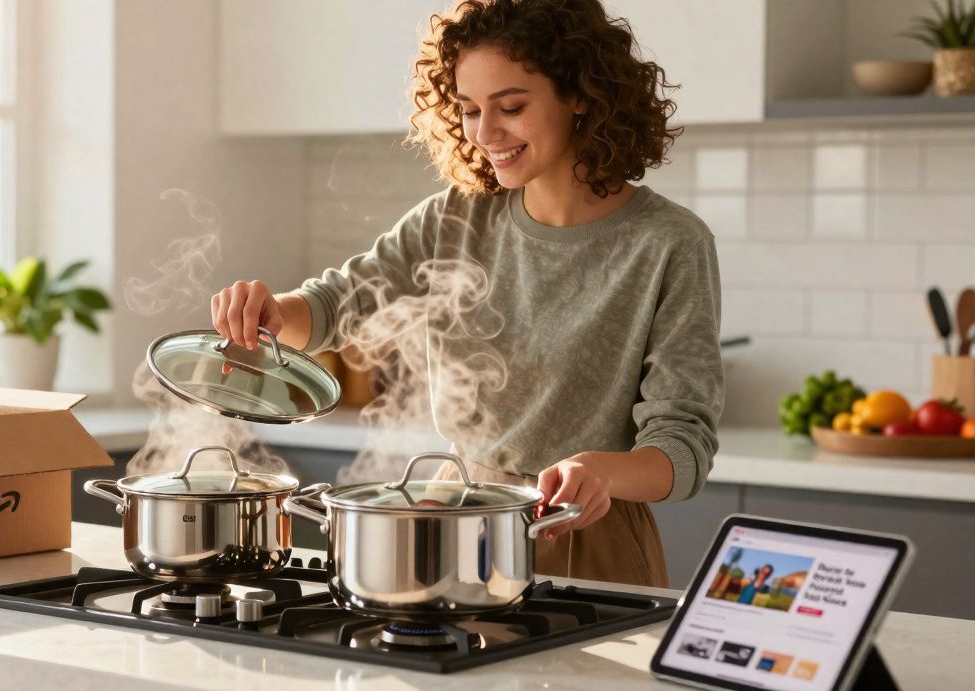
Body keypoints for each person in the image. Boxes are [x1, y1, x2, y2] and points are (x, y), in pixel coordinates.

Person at [209, 0, 722, 587]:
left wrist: (603, 472)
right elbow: (337, 305)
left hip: (585, 535)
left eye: (510, 107)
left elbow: (682, 446)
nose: (485, 133)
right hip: (454, 523)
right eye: (471, 109)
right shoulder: (455, 219)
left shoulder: (668, 243)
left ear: (582, 93)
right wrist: (272, 312)